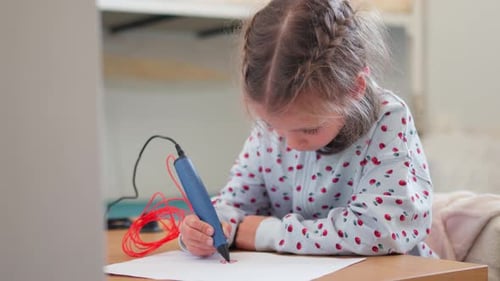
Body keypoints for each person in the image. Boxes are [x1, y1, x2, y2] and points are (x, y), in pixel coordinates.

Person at [179, 0, 436, 258]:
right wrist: (206, 229)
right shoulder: (275, 128)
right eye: (272, 126)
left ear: (354, 89)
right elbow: (235, 207)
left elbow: (380, 232)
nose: (290, 144)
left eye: (309, 130)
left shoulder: (388, 119)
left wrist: (269, 234)